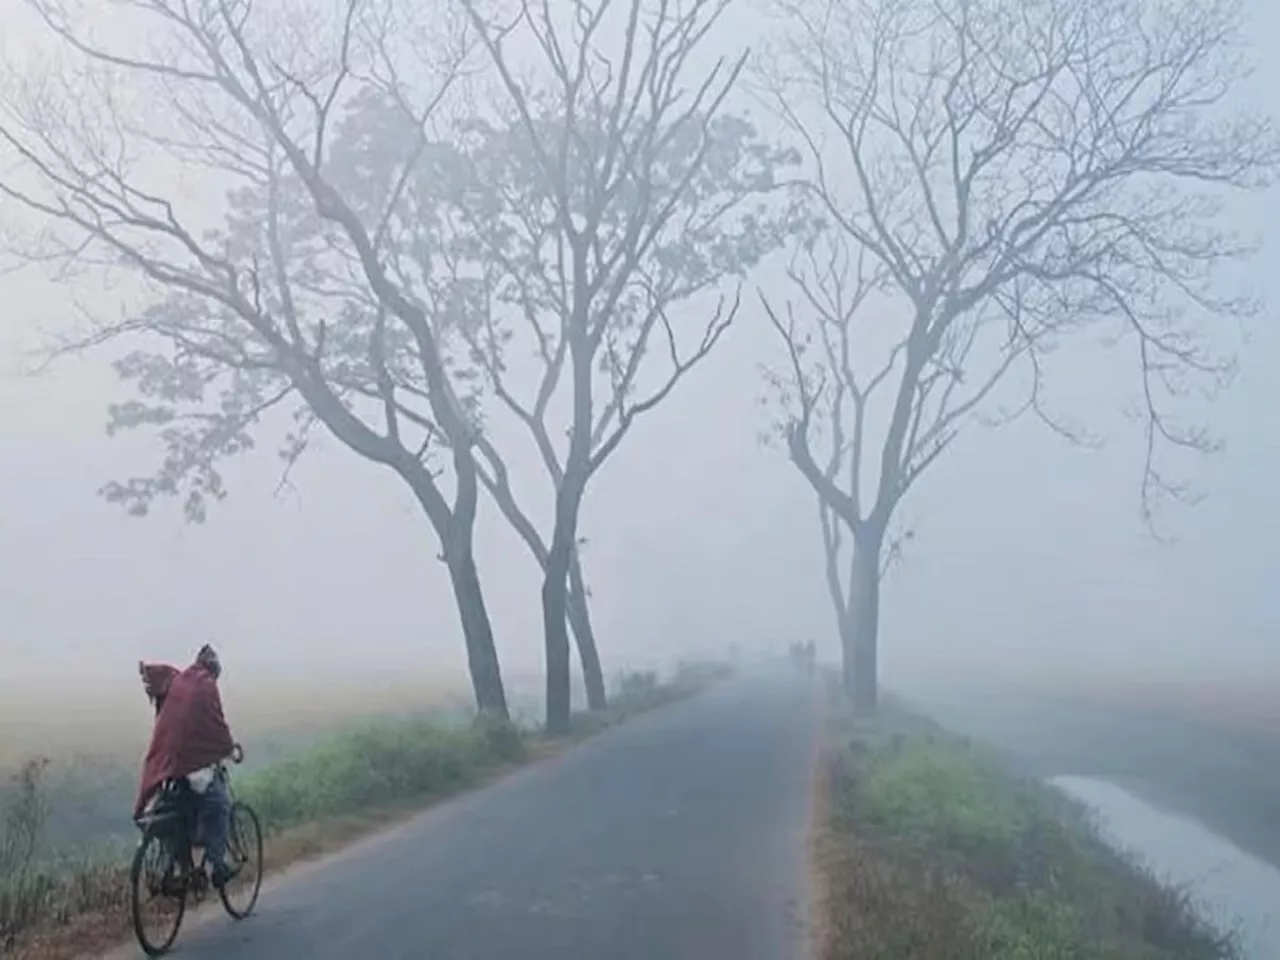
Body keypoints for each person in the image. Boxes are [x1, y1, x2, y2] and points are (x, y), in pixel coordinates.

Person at [135, 644, 240, 887]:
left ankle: (177, 867)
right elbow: (216, 724)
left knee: (176, 811)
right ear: (213, 669)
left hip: (168, 764)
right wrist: (228, 748)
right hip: (191, 765)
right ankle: (217, 865)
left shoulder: (180, 681)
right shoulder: (206, 685)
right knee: (220, 805)